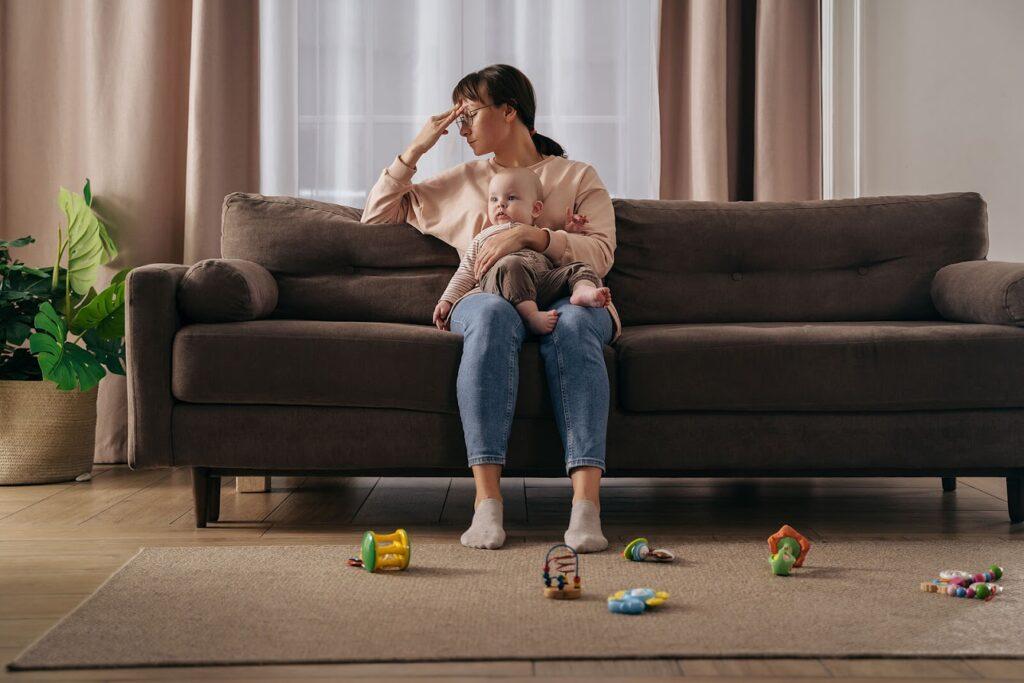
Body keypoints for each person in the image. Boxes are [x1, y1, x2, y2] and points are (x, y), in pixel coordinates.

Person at [361, 64, 622, 553]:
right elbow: (375, 214)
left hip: (569, 290)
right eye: (455, 120)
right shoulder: (464, 180)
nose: (460, 129)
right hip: (489, 292)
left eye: (470, 115)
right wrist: (418, 146)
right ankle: (487, 505)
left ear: (509, 111)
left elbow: (602, 254)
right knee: (489, 315)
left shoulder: (576, 175)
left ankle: (586, 507)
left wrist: (534, 235)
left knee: (575, 325)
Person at [433, 166, 612, 336]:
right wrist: (447, 300)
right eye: (494, 199)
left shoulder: (538, 232)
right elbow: (465, 272)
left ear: (536, 209)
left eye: (511, 198)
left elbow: (560, 256)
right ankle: (531, 317)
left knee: (579, 267)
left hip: (540, 282)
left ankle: (582, 291)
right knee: (512, 264)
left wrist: (571, 232)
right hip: (504, 284)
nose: (500, 204)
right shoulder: (484, 237)